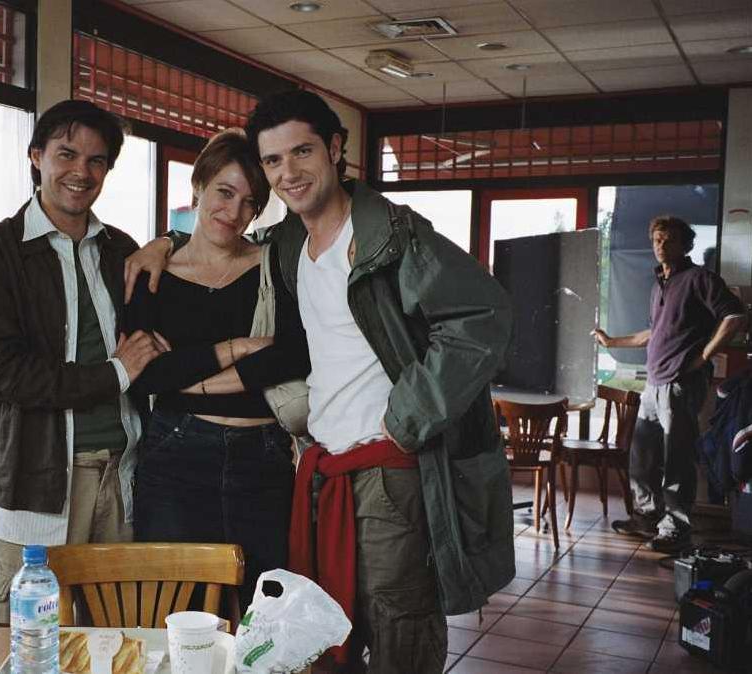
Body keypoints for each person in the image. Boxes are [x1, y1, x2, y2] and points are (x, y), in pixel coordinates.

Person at [127, 91, 515, 674]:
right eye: (274, 160)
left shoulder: (390, 236)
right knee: (325, 633)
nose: (289, 172)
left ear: (335, 149)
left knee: (397, 630)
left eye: (302, 152)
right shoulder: (289, 245)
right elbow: (222, 242)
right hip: (322, 466)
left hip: (387, 465)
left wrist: (408, 418)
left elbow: (483, 316)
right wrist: (166, 242)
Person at [0, 100, 163, 630]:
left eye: (97, 161)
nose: (81, 172)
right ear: (37, 157)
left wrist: (170, 242)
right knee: (20, 642)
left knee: (115, 637)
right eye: (67, 154)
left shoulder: (120, 250)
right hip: (32, 479)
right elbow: (0, 371)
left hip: (120, 475)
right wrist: (115, 373)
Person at [124, 128, 310, 610]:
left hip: (263, 456)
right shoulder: (152, 274)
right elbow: (146, 376)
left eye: (250, 203)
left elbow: (294, 354)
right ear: (199, 186)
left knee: (264, 613)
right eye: (224, 193)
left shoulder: (274, 265)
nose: (234, 212)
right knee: (173, 610)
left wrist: (188, 375)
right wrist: (238, 347)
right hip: (175, 453)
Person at [593, 215, 745, 552]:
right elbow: (654, 332)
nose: (661, 245)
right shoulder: (660, 284)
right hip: (654, 382)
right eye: (657, 239)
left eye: (669, 240)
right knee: (642, 456)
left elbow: (734, 316)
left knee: (676, 459)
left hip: (680, 383)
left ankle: (675, 529)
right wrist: (612, 341)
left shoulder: (700, 279)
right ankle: (647, 517)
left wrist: (704, 355)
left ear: (685, 245)